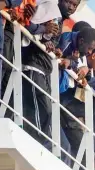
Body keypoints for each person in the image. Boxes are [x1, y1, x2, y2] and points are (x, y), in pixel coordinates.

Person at [21, 0, 62, 144]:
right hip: (32, 66)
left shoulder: (52, 21)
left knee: (47, 110)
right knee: (41, 109)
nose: (54, 21)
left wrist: (47, 38)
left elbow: (41, 37)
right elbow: (26, 28)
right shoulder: (31, 11)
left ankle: (44, 142)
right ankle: (39, 142)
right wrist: (43, 29)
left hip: (43, 71)